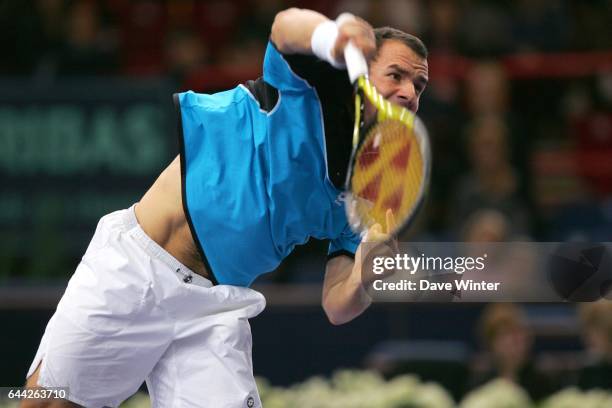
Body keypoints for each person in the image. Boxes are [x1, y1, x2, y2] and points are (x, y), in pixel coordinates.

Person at [23, 7, 428, 408]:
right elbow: (285, 27)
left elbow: (336, 306)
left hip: (215, 308)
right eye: (397, 74)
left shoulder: (370, 189)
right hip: (136, 266)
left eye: (420, 85)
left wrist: (362, 275)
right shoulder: (308, 85)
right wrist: (331, 36)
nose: (410, 92)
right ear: (361, 66)